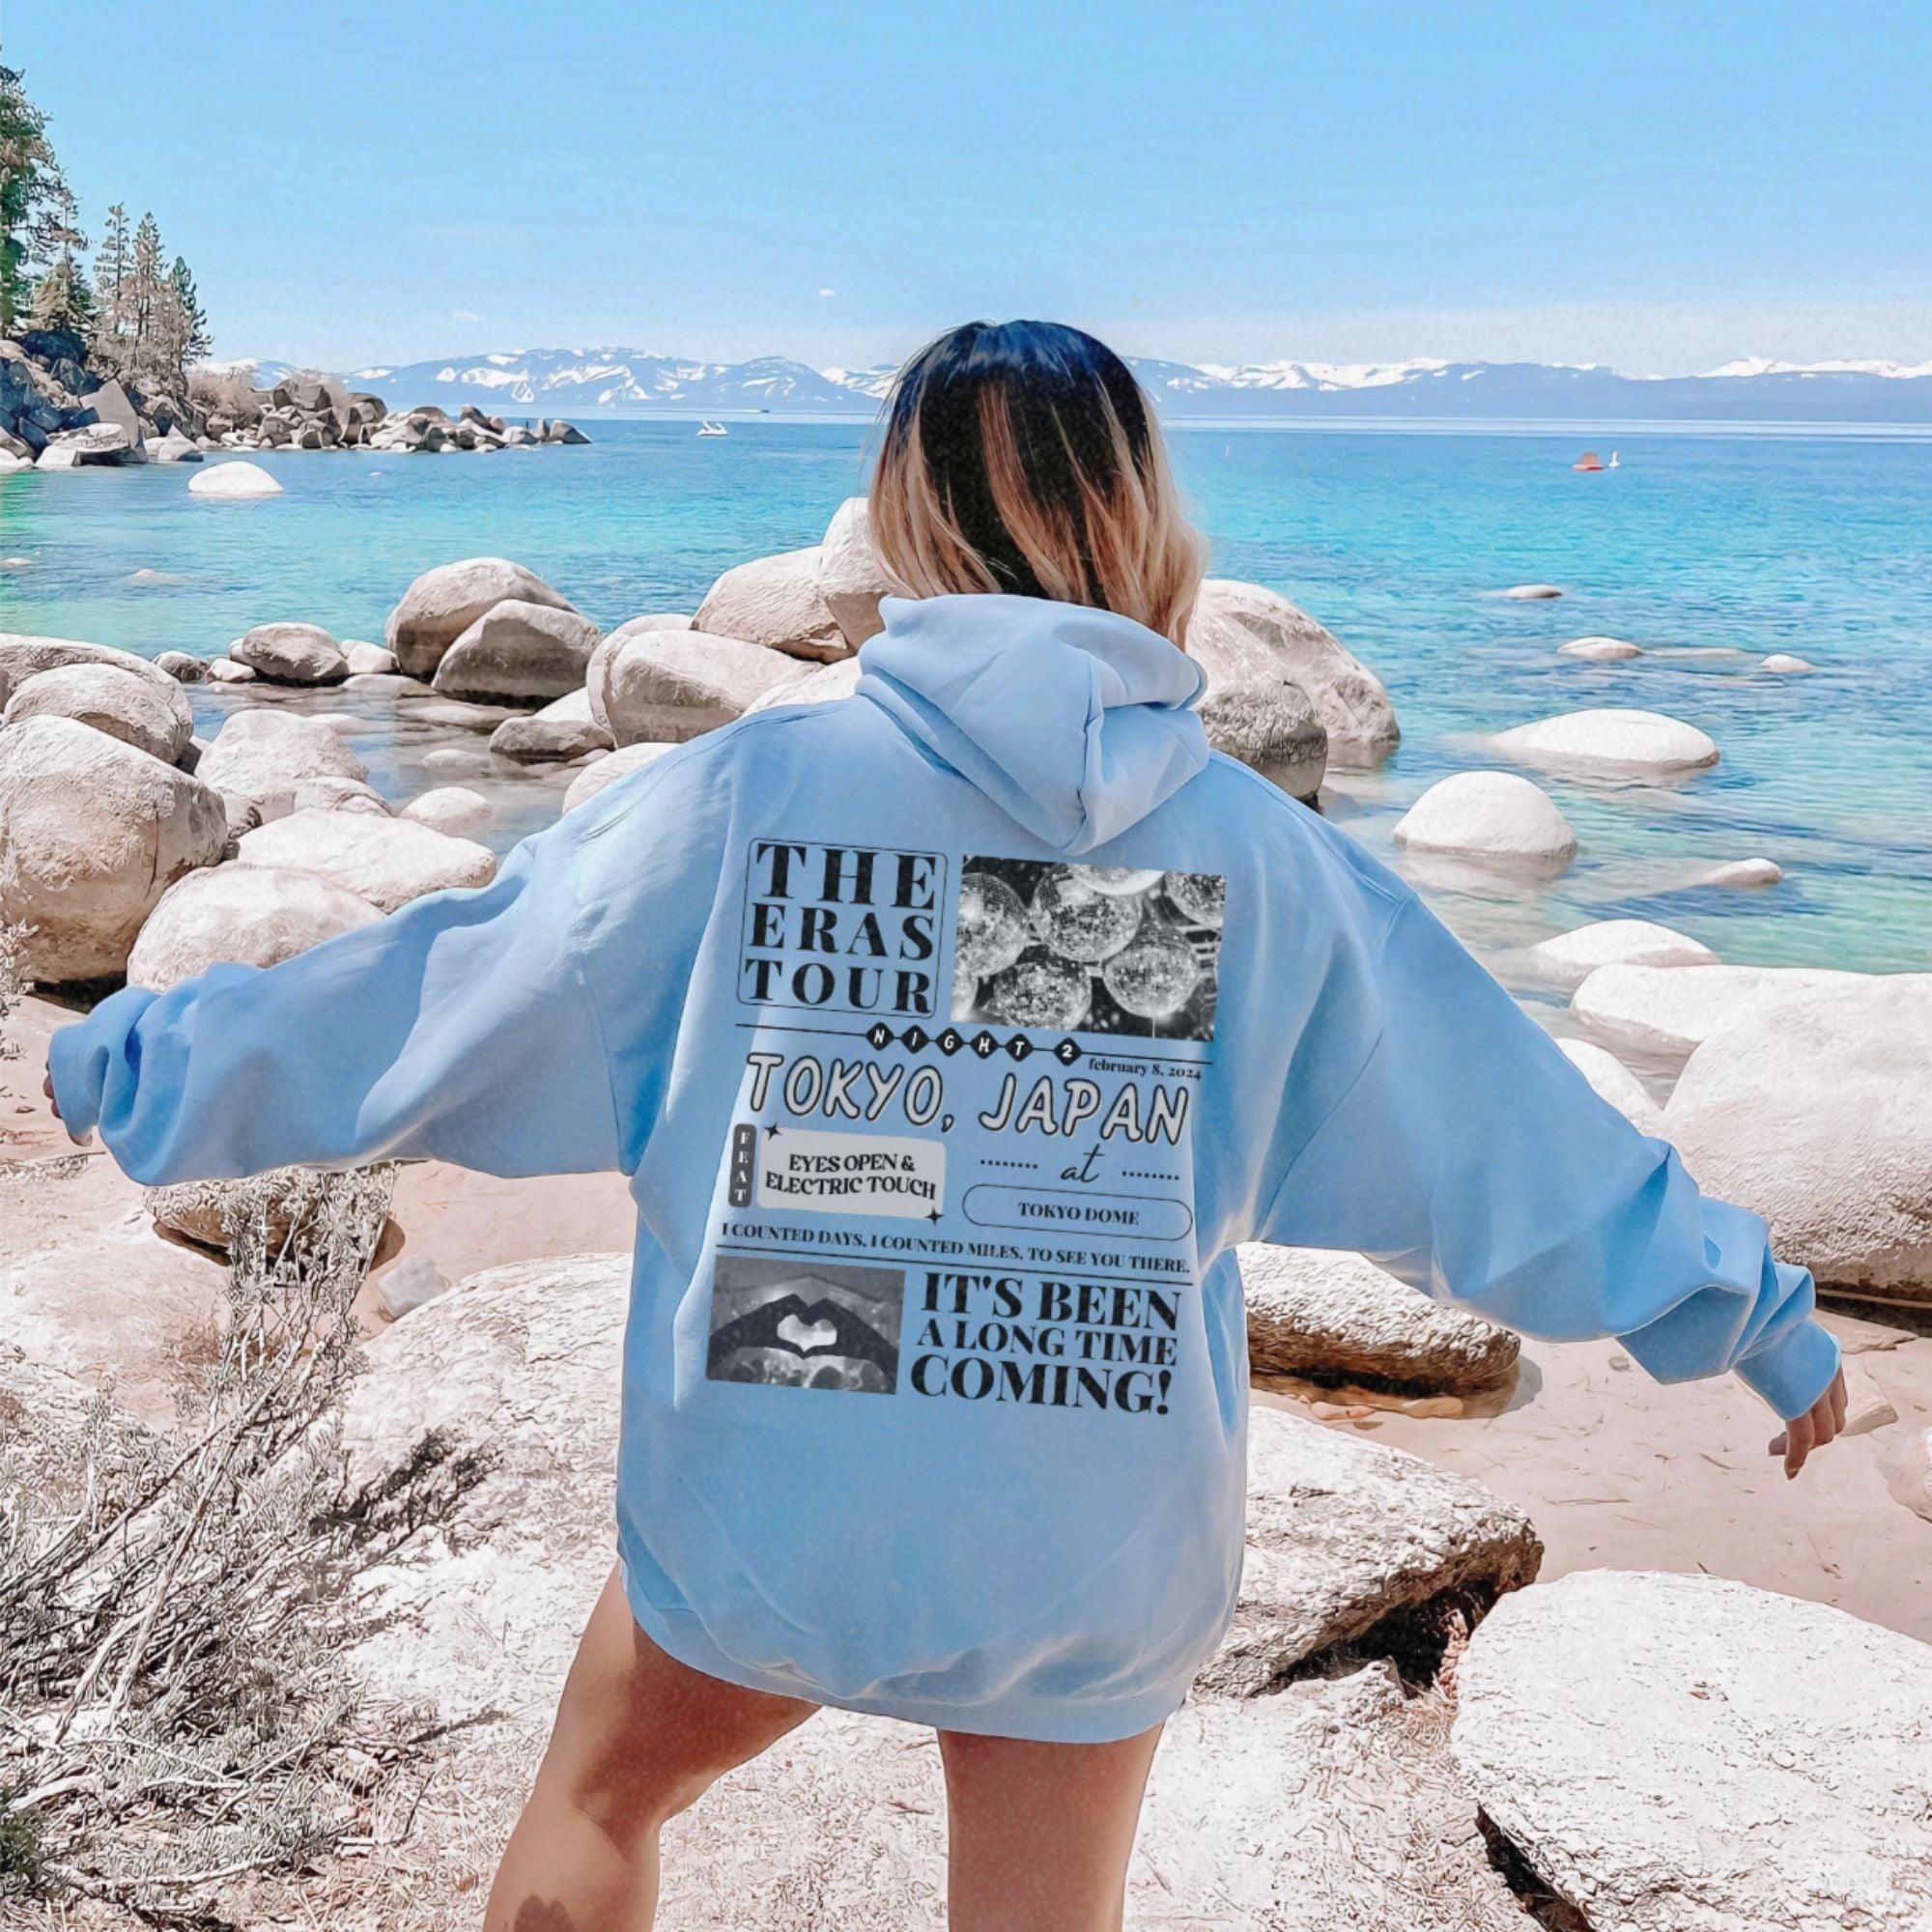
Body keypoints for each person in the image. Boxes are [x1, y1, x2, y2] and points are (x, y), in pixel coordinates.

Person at [44, 319, 1847, 1931]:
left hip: (775, 1485)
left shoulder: (746, 794)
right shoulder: (1257, 857)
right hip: (1088, 1526)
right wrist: (1745, 1312)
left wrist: (131, 1064)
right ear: (1141, 524)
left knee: (600, 1802)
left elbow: (441, 997)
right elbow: (1501, 1136)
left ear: (901, 530)